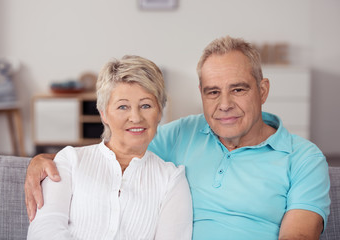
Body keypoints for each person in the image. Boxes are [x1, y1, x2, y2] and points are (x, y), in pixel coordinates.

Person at [25, 36, 330, 240]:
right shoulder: (181, 134)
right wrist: (46, 161)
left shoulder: (303, 158)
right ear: (202, 95)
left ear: (262, 90)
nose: (224, 104)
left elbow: (299, 236)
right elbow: (119, 151)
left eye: (238, 89)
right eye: (213, 92)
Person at [26, 55, 193, 239]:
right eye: (123, 107)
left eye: (146, 105)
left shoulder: (172, 180)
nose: (136, 117)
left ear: (159, 112)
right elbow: (44, 231)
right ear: (104, 113)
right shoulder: (69, 161)